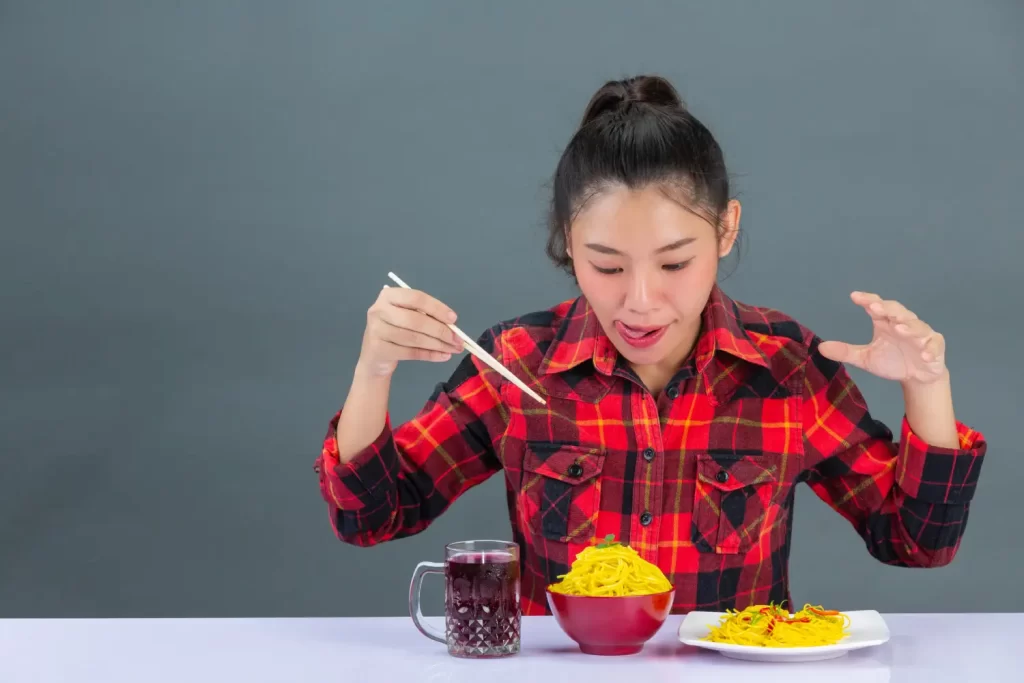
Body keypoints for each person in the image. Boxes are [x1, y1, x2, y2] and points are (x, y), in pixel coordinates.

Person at [313, 74, 987, 616]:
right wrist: (373, 368)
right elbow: (372, 515)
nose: (639, 300)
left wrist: (926, 386)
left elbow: (916, 542)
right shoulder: (516, 362)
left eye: (673, 263)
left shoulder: (787, 367)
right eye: (606, 265)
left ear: (726, 230)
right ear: (567, 242)